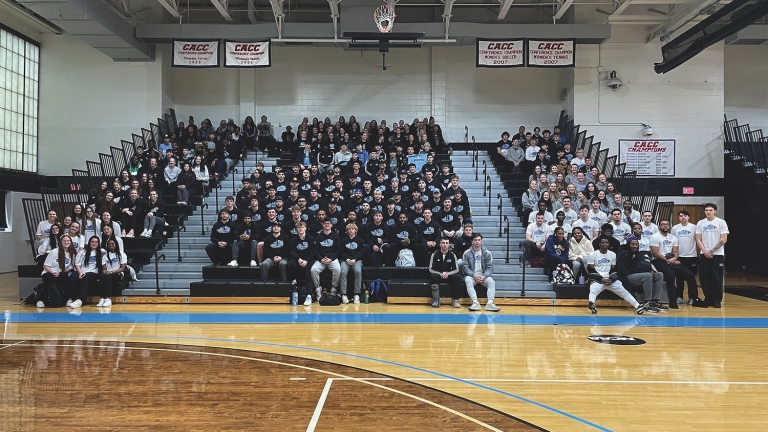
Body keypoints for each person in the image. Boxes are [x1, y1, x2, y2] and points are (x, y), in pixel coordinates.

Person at [585, 237, 647, 315]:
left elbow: (613, 269)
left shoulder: (612, 254)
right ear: (599, 244)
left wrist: (611, 279)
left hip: (609, 280)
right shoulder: (593, 254)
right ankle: (592, 304)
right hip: (598, 279)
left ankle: (638, 306)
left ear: (609, 244)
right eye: (603, 242)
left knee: (624, 292)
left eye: (606, 242)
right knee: (593, 291)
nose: (604, 244)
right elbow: (591, 270)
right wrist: (601, 279)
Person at [650, 220, 698, 308]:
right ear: (659, 227)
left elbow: (675, 251)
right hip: (658, 261)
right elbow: (655, 253)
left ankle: (694, 299)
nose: (665, 226)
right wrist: (668, 260)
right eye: (663, 225)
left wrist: (674, 258)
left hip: (671, 260)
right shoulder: (655, 237)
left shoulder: (673, 237)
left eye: (667, 224)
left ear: (669, 226)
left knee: (690, 275)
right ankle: (672, 300)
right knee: (670, 275)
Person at [616, 236, 665, 313]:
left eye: (636, 244)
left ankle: (655, 301)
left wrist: (650, 270)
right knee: (647, 275)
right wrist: (641, 272)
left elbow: (642, 265)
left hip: (637, 275)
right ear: (628, 244)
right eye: (632, 244)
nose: (635, 246)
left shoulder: (638, 254)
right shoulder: (622, 253)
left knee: (659, 274)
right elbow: (622, 270)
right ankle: (647, 302)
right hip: (626, 277)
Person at [695, 203, 729, 308]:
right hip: (704, 254)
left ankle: (717, 299)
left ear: (715, 211)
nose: (708, 212)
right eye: (706, 210)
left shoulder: (721, 222)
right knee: (704, 277)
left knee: (717, 277)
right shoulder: (700, 223)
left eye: (710, 210)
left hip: (717, 254)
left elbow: (723, 239)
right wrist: (705, 251)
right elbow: (698, 239)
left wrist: (712, 250)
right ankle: (708, 298)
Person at [460, 233, 499, 312]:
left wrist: (484, 276)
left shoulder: (487, 253)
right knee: (468, 281)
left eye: (479, 240)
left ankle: (490, 303)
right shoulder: (467, 253)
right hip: (472, 275)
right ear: (472, 241)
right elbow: (465, 267)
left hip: (483, 275)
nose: (477, 242)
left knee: (491, 282)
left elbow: (490, 268)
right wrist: (473, 275)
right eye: (475, 240)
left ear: (481, 241)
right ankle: (475, 302)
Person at [40, 235, 79, 308]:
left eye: (68, 241)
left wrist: (69, 269)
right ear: (60, 242)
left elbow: (72, 266)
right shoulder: (54, 251)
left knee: (70, 279)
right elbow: (45, 266)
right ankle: (41, 299)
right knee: (52, 280)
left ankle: (68, 299)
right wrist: (53, 272)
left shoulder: (72, 253)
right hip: (49, 272)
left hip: (61, 273)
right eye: (64, 241)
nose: (66, 242)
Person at [671, 210, 699, 304]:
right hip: (679, 256)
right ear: (678, 218)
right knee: (679, 278)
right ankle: (679, 297)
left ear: (688, 217)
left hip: (691, 256)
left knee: (691, 278)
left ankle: (693, 297)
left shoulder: (694, 227)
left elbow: (698, 240)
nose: (683, 217)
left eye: (685, 216)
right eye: (681, 216)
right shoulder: (675, 228)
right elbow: (673, 242)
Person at [311, 219, 342, 298]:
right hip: (321, 259)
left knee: (338, 269)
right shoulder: (318, 237)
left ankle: (334, 289)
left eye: (329, 223)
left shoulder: (336, 236)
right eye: (325, 223)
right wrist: (321, 259)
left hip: (332, 259)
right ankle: (317, 289)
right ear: (323, 225)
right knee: (313, 270)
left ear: (331, 225)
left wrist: (331, 259)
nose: (327, 225)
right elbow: (316, 251)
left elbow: (338, 251)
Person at [428, 237, 462, 308]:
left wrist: (447, 274)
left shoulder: (453, 255)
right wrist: (441, 274)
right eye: (443, 243)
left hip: (448, 275)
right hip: (438, 275)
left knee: (457, 278)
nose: (445, 245)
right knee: (433, 277)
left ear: (449, 245)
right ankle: (436, 300)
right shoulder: (435, 254)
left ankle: (455, 300)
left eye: (446, 243)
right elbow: (431, 269)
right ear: (440, 244)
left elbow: (456, 269)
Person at [289, 221, 316, 306]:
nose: (300, 229)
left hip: (308, 259)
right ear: (296, 229)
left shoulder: (311, 238)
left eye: (302, 227)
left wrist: (306, 260)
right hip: (298, 259)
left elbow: (312, 252)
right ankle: (294, 288)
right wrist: (299, 259)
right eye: (299, 227)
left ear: (305, 228)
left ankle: (309, 295)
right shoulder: (293, 239)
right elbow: (292, 252)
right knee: (290, 265)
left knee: (308, 273)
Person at [339, 223, 365, 304]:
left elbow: (361, 252)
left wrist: (355, 259)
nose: (351, 230)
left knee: (358, 271)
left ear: (355, 230)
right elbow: (341, 252)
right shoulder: (343, 240)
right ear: (347, 231)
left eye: (352, 229)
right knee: (343, 271)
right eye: (349, 229)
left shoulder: (360, 240)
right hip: (345, 260)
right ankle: (343, 294)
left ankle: (357, 294)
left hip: (356, 260)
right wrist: (346, 259)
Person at [75, 236, 104, 308]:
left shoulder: (102, 252)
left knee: (85, 278)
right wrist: (80, 272)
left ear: (99, 243)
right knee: (73, 277)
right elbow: (77, 264)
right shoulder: (82, 252)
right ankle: (70, 298)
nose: (94, 243)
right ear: (89, 243)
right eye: (92, 242)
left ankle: (81, 300)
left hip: (93, 272)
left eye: (96, 242)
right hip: (82, 271)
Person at [99, 238, 126, 308]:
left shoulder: (122, 254)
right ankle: (102, 298)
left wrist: (111, 272)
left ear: (116, 244)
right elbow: (104, 267)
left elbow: (122, 269)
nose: (111, 245)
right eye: (109, 244)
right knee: (101, 276)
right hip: (108, 273)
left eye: (112, 244)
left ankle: (108, 298)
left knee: (108, 277)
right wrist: (104, 271)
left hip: (118, 273)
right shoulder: (105, 256)